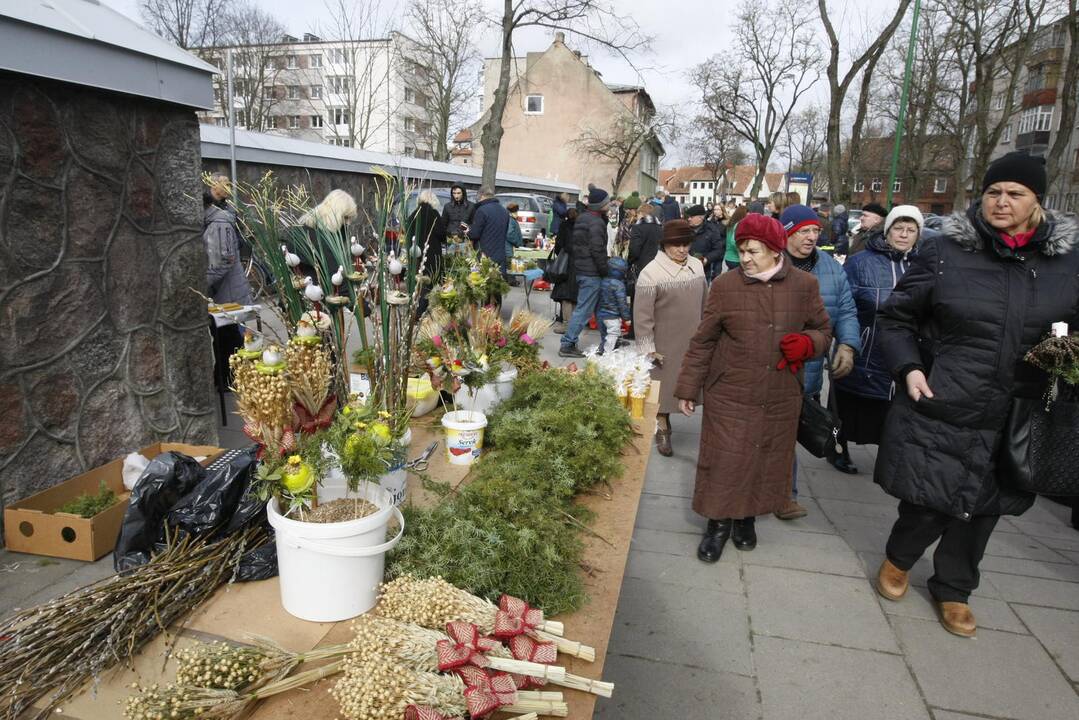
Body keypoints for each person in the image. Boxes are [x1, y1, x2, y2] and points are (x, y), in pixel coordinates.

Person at [874, 153, 1079, 638]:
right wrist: (908, 367)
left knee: (985, 504)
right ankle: (899, 559)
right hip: (948, 396)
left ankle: (954, 587)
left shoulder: (1067, 264)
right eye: (993, 192)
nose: (1002, 202)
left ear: (1037, 201)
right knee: (929, 497)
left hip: (1019, 406)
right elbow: (896, 318)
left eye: (1015, 194)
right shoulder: (945, 252)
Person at [674, 214, 832, 562]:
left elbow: (823, 330)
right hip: (730, 389)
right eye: (742, 250)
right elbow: (704, 341)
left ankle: (746, 521)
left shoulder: (804, 286)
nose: (744, 258)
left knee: (764, 459)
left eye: (753, 251)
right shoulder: (726, 286)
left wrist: (808, 344)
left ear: (775, 251)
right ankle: (717, 525)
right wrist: (688, 388)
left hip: (778, 394)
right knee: (725, 460)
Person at [775, 204, 861, 519]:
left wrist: (848, 345)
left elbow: (847, 310)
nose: (811, 237)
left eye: (815, 231)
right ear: (786, 232)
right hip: (769, 367)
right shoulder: (769, 262)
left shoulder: (831, 268)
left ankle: (786, 497)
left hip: (807, 371)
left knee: (788, 436)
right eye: (803, 231)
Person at [834, 205, 923, 446]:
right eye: (898, 228)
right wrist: (847, 342)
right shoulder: (861, 263)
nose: (904, 235)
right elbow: (843, 305)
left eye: (911, 230)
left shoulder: (924, 267)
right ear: (887, 230)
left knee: (891, 419)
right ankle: (837, 448)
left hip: (902, 357)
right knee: (846, 414)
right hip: (865, 351)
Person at [634, 220, 709, 456]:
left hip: (693, 340)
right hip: (663, 344)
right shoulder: (650, 273)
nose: (682, 250)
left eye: (686, 244)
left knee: (691, 384)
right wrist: (647, 348)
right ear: (665, 245)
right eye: (676, 245)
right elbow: (642, 317)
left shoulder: (697, 266)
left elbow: (706, 302)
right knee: (663, 391)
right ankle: (662, 428)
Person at [560, 184, 612, 358]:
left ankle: (610, 339)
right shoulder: (596, 222)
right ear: (600, 205)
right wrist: (605, 269)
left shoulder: (583, 218)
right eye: (607, 202)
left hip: (582, 268)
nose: (610, 204)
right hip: (592, 272)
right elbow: (597, 249)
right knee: (583, 310)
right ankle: (567, 343)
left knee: (599, 308)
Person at [203, 175, 253, 307]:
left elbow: (223, 258)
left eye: (229, 184)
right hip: (221, 283)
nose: (228, 188)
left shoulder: (228, 210)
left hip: (225, 284)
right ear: (213, 185)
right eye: (224, 184)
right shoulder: (204, 206)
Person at [407, 190, 447, 314]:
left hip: (415, 254)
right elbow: (442, 234)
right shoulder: (434, 214)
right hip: (431, 253)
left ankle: (415, 306)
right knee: (429, 282)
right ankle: (421, 310)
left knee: (418, 281)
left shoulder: (413, 214)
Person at [467, 187, 510, 272]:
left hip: (485, 253)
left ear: (482, 196)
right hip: (500, 254)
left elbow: (475, 234)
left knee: (483, 280)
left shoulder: (481, 210)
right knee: (498, 281)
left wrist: (468, 231)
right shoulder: (504, 210)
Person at [551, 207, 579, 333]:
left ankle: (567, 324)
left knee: (565, 295)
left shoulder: (564, 226)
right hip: (579, 263)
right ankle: (574, 323)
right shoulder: (582, 227)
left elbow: (558, 246)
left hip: (566, 264)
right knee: (575, 294)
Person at [596, 257, 632, 354]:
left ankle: (602, 349)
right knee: (613, 333)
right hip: (612, 316)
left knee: (604, 335)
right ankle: (607, 353)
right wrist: (627, 318)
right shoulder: (619, 285)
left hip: (600, 314)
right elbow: (622, 303)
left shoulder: (602, 281)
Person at [685, 204, 725, 281]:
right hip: (685, 269)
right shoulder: (684, 228)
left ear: (701, 217)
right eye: (688, 217)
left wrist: (707, 259)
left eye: (692, 217)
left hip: (703, 271)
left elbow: (718, 249)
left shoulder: (712, 230)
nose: (689, 219)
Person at [723, 205, 748, 271]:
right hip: (736, 259)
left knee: (731, 278)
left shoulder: (731, 223)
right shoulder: (739, 224)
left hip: (728, 257)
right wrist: (743, 251)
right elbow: (733, 241)